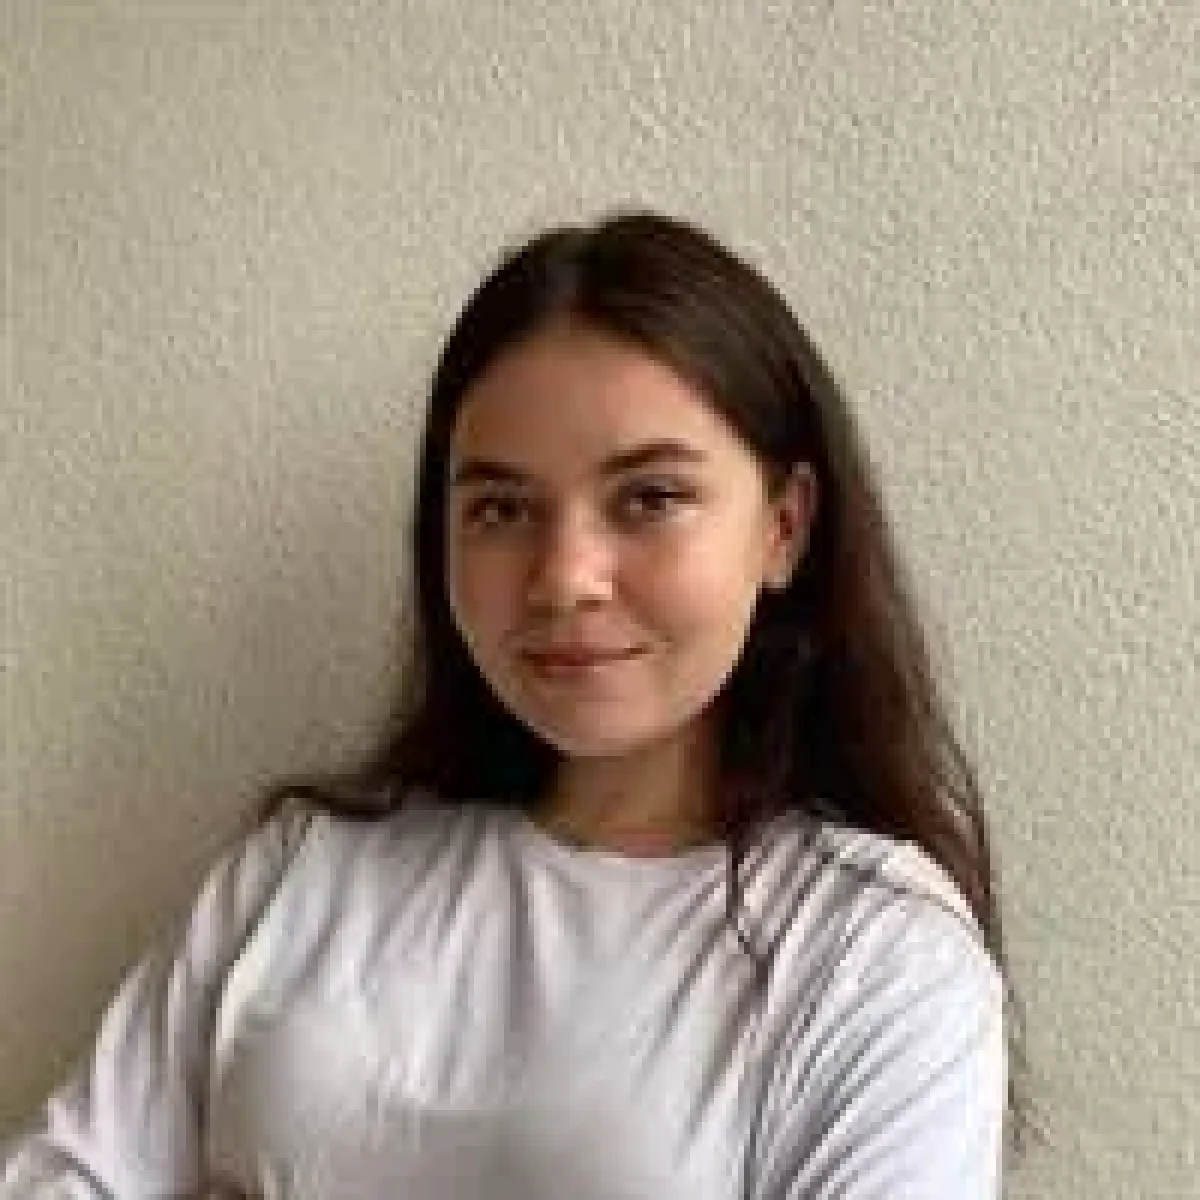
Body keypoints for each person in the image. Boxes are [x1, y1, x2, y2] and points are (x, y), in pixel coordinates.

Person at [2, 210, 1017, 1198]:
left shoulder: (874, 955)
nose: (564, 577)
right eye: (502, 508)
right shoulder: (305, 867)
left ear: (784, 526)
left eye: (649, 499)